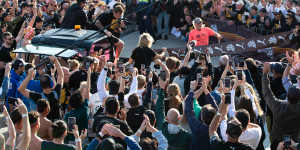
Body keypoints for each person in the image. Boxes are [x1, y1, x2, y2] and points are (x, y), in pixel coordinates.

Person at [262, 62, 300, 150]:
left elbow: (267, 93)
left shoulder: (278, 105)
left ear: (288, 96)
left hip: (277, 141)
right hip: (295, 141)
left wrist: (265, 74)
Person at [18, 56, 64, 121]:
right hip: (56, 125)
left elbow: (21, 89)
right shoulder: (56, 93)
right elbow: (61, 76)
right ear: (51, 84)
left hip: (43, 126)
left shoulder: (37, 96)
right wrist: (56, 61)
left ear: (41, 85)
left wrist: (29, 75)